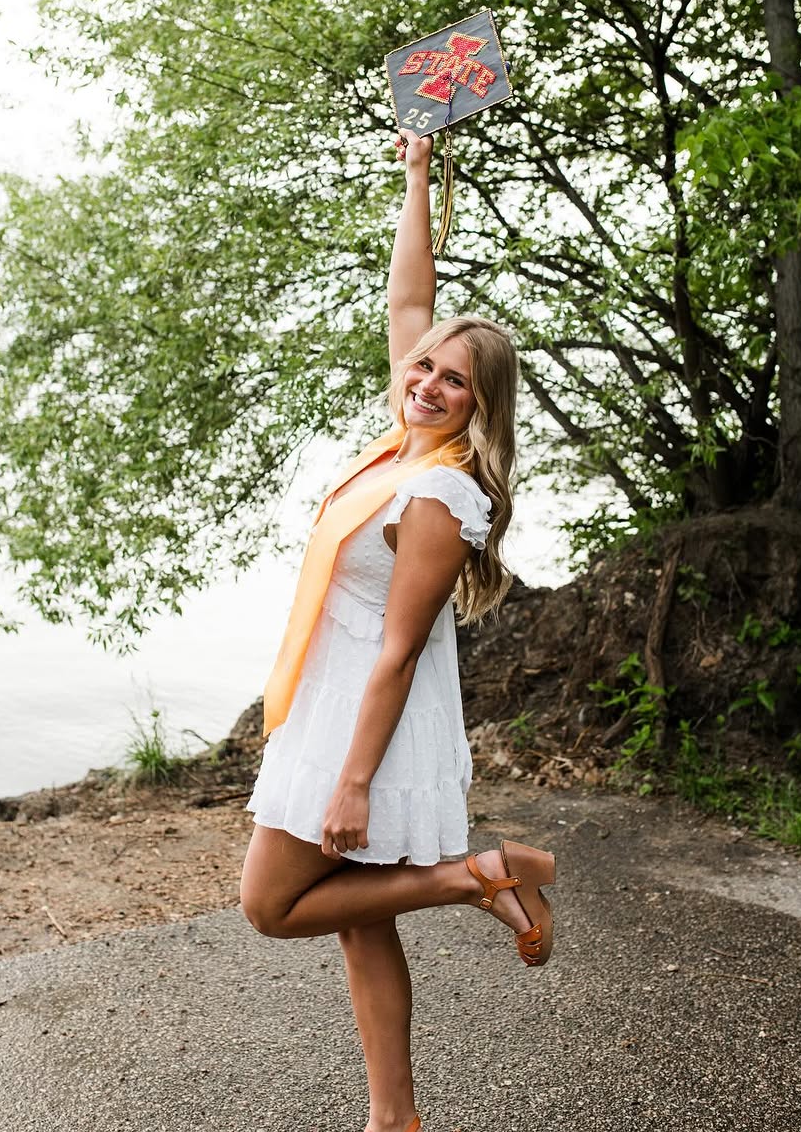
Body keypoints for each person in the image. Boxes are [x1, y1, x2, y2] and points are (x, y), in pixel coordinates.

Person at [241, 128, 555, 1132]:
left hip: (363, 717)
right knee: (362, 920)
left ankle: (475, 875)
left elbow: (401, 648)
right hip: (334, 698)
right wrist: (418, 174)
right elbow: (407, 304)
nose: (427, 380)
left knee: (271, 904)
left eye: (455, 380)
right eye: (426, 367)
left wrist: (352, 781)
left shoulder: (441, 490)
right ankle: (396, 1117)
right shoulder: (404, 441)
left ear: (481, 404)